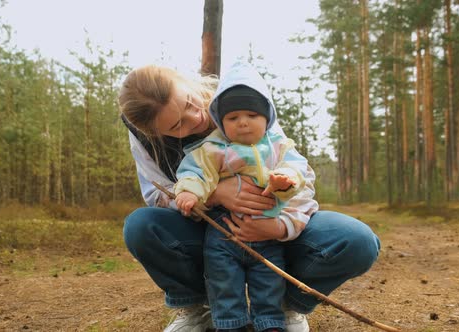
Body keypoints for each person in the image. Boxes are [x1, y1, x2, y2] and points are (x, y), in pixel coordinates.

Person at [118, 61, 381, 332]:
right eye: (177, 125)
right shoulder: (145, 140)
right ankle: (203, 308)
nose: (195, 118)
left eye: (189, 103)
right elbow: (156, 195)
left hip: (273, 223)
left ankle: (285, 306)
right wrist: (214, 195)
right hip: (211, 236)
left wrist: (278, 227)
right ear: (155, 133)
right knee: (141, 226)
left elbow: (299, 176)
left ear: (188, 82)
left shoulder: (239, 101)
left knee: (358, 241)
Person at [174, 66, 316, 331]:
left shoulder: (279, 146)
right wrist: (189, 191)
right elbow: (195, 171)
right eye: (233, 117)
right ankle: (230, 323)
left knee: (269, 280)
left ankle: (270, 322)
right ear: (221, 121)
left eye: (252, 115)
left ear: (267, 117)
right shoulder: (213, 148)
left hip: (268, 231)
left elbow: (297, 170)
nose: (243, 122)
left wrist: (285, 179)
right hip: (223, 233)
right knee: (223, 279)